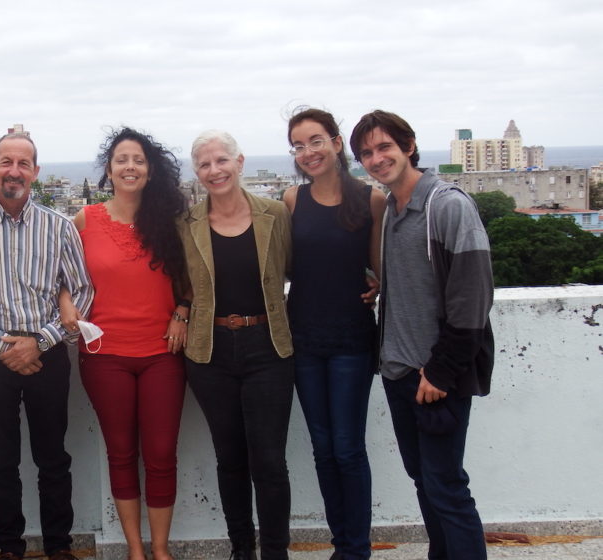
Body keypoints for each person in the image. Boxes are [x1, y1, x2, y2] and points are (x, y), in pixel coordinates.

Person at [350, 110, 494, 560]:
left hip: (435, 376)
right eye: (367, 153)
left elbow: (472, 299)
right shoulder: (393, 208)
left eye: (384, 147)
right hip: (398, 371)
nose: (376, 159)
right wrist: (382, 285)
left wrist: (441, 372)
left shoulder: (447, 206)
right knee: (424, 480)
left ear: (409, 146)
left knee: (446, 485)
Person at [0, 131, 93, 560]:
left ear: (35, 172)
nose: (14, 171)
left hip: (48, 355)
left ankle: (59, 546)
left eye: (23, 163)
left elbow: (81, 292)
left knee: (53, 458)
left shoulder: (59, 227)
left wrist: (41, 341)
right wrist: (1, 345)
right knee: (2, 462)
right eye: (6, 162)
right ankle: (9, 547)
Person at [59, 127, 188, 560]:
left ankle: (161, 549)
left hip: (161, 355)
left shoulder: (172, 222)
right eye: (121, 160)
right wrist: (65, 305)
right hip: (104, 355)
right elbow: (63, 277)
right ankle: (135, 549)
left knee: (160, 454)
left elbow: (195, 281)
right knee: (120, 452)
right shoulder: (85, 220)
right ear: (109, 170)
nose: (129, 166)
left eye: (138, 160)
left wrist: (181, 313)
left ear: (151, 171)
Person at [178, 130, 294, 560]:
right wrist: (179, 312)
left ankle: (275, 552)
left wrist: (366, 280)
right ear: (197, 172)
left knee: (269, 460)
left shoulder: (275, 214)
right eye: (205, 165)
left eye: (221, 161)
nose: (214, 171)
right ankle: (242, 549)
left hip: (268, 347)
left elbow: (301, 267)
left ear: (240, 162)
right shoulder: (186, 224)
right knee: (230, 459)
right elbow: (180, 285)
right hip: (209, 353)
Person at [282, 108, 385, 560]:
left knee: (347, 448)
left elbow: (382, 268)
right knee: (323, 449)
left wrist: (378, 283)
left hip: (351, 339)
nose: (308, 152)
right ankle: (341, 545)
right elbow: (281, 266)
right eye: (299, 145)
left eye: (316, 141)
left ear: (337, 143)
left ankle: (356, 550)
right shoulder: (290, 200)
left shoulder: (371, 199)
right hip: (302, 335)